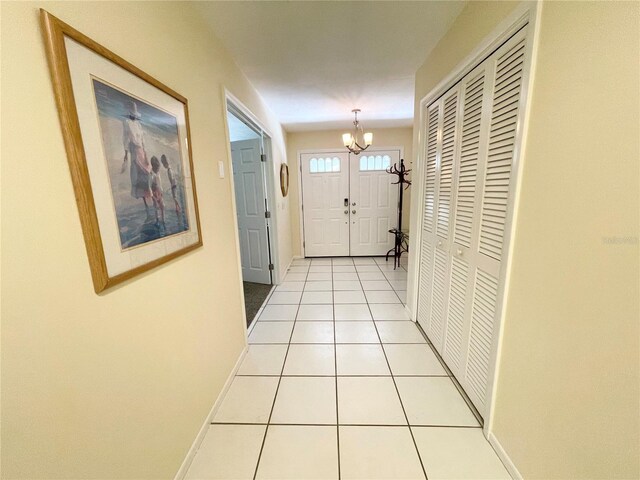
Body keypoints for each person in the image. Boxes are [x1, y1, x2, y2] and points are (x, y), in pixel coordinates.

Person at [121, 101, 152, 217]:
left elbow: (143, 141)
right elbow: (125, 139)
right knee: (139, 177)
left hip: (141, 151)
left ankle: (150, 199)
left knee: (147, 173)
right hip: (134, 151)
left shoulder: (138, 125)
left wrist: (147, 156)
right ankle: (145, 205)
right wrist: (125, 155)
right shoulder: (127, 122)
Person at [149, 156, 165, 227]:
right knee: (156, 207)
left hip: (159, 192)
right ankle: (157, 220)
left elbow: (160, 182)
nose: (158, 169)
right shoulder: (151, 174)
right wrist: (152, 196)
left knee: (162, 206)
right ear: (154, 167)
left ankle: (163, 219)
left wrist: (162, 191)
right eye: (157, 168)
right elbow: (149, 186)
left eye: (159, 167)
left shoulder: (158, 173)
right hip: (155, 192)